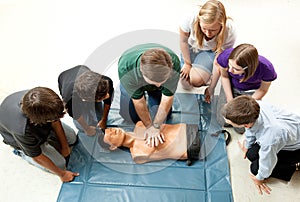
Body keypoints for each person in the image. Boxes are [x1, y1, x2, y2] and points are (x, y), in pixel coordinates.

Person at [222, 95, 300, 195]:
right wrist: (247, 146)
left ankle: (294, 166)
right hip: (286, 134)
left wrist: (260, 178)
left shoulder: (270, 137)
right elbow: (250, 129)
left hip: (295, 149)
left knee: (255, 170)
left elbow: (268, 160)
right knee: (250, 154)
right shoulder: (254, 106)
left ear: (246, 124)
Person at [0, 87, 79, 182]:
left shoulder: (40, 99)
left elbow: (56, 122)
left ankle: (48, 137)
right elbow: (36, 156)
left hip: (39, 121)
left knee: (72, 138)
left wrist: (65, 146)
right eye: (53, 119)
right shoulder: (22, 130)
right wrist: (62, 174)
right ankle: (21, 152)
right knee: (60, 164)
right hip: (20, 139)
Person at [118, 43, 181, 147]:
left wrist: (155, 126)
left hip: (154, 78)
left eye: (162, 82)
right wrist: (149, 126)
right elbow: (139, 101)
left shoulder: (174, 64)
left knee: (165, 116)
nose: (159, 85)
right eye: (155, 82)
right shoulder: (126, 70)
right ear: (142, 73)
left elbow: (167, 98)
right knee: (130, 117)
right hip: (131, 79)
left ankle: (154, 90)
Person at [205, 43, 277, 133]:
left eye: (236, 69)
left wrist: (244, 104)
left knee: (240, 128)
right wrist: (230, 99)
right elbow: (225, 77)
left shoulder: (266, 69)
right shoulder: (225, 57)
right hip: (231, 86)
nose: (230, 70)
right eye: (229, 65)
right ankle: (222, 102)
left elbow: (262, 90)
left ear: (249, 68)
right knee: (222, 120)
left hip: (251, 92)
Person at [179, 0, 237, 89]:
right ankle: (197, 69)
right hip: (190, 48)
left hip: (210, 51)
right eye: (204, 28)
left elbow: (218, 61)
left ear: (221, 26)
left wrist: (212, 88)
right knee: (185, 84)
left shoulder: (229, 30)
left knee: (196, 81)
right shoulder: (190, 17)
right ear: (199, 22)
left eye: (213, 30)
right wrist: (187, 64)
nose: (208, 33)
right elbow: (183, 41)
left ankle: (206, 74)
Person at [103, 121, 199, 165]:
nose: (113, 131)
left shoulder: (140, 124)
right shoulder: (137, 154)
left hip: (189, 128)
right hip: (191, 147)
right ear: (113, 147)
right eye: (110, 136)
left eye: (111, 129)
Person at [58, 65, 114, 136]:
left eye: (106, 92)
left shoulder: (106, 81)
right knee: (82, 127)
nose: (108, 96)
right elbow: (77, 115)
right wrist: (87, 129)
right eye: (101, 98)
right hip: (64, 79)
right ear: (86, 99)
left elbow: (108, 101)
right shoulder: (70, 99)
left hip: (81, 68)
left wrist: (104, 119)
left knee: (100, 115)